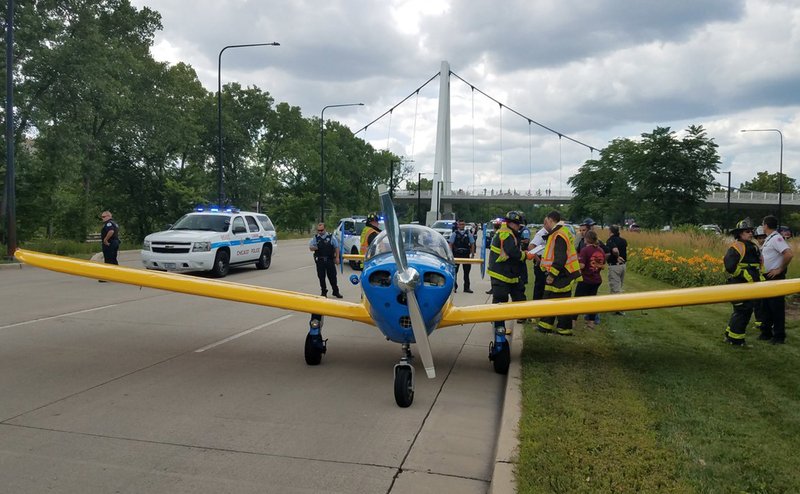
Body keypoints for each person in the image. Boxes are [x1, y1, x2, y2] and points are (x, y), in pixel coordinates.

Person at [487, 211, 535, 336]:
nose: (519, 227)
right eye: (518, 224)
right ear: (511, 223)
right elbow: (512, 252)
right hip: (500, 273)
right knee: (500, 301)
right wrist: (526, 255)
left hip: (509, 273)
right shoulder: (505, 234)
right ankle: (498, 328)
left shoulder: (510, 233)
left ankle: (522, 316)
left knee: (519, 294)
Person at [537, 210, 582, 336]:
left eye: (546, 221)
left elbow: (560, 258)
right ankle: (545, 326)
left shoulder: (559, 235)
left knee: (562, 303)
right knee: (549, 298)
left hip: (561, 274)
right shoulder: (561, 232)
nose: (546, 224)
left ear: (551, 220)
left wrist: (552, 275)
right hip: (560, 273)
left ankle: (564, 329)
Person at [722, 219, 763, 346]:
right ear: (740, 233)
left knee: (743, 311)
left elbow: (758, 265)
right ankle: (736, 340)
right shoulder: (736, 247)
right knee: (742, 311)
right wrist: (746, 275)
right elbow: (730, 267)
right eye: (747, 231)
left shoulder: (754, 247)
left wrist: (760, 278)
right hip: (738, 285)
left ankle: (730, 335)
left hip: (749, 286)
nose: (751, 233)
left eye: (751, 231)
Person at [759, 215, 794, 344]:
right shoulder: (770, 238)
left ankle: (779, 336)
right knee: (766, 307)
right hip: (767, 277)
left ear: (766, 225)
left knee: (776, 308)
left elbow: (789, 254)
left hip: (775, 278)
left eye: (763, 224)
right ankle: (766, 332)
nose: (762, 227)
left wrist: (779, 269)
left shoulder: (776, 238)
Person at [574, 230, 606, 328]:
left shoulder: (585, 250)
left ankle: (573, 321)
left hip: (585, 279)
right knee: (592, 301)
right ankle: (591, 323)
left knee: (577, 300)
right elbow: (603, 265)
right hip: (596, 279)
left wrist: (575, 263)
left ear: (586, 239)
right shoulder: (601, 250)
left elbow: (582, 265)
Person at [309, 222, 342, 298]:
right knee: (321, 277)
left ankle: (335, 291)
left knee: (332, 277)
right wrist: (315, 247)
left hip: (329, 260)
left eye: (321, 230)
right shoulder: (315, 238)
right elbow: (310, 247)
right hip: (320, 260)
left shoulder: (331, 237)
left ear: (325, 229)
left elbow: (336, 247)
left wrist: (337, 258)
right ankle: (324, 292)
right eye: (318, 230)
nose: (320, 232)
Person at [606, 224, 628, 314]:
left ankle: (620, 308)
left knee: (615, 288)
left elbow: (615, 250)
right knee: (619, 286)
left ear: (610, 231)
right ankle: (613, 307)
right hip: (623, 266)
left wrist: (617, 256)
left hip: (615, 265)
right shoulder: (623, 240)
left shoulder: (610, 240)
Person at [450, 219, 476, 293]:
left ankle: (467, 288)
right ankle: (454, 287)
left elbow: (472, 243)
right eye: (460, 224)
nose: (462, 225)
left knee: (466, 272)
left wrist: (472, 254)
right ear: (458, 225)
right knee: (455, 272)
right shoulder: (454, 233)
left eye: (463, 224)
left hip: (466, 255)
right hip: (456, 255)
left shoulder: (468, 233)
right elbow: (450, 244)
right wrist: (450, 254)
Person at [529, 225, 549, 301]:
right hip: (541, 261)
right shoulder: (542, 233)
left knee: (544, 286)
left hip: (545, 261)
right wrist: (538, 260)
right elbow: (531, 247)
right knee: (540, 286)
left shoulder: (549, 233)